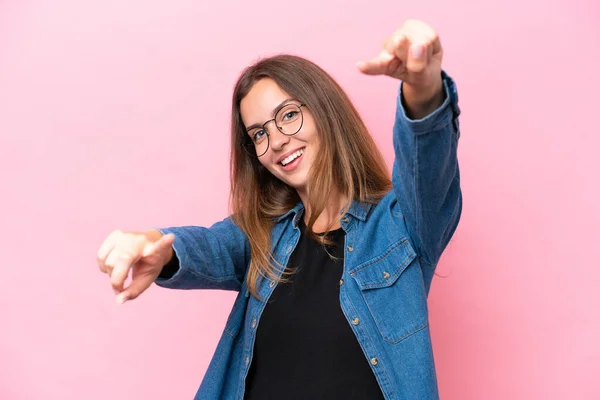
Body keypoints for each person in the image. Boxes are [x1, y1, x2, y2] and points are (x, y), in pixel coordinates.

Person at [97, 19, 462, 400]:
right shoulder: (263, 235)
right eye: (258, 133)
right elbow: (208, 246)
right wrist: (155, 244)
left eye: (288, 115)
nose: (276, 141)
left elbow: (429, 167)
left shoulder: (400, 225)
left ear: (325, 111)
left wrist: (422, 91)